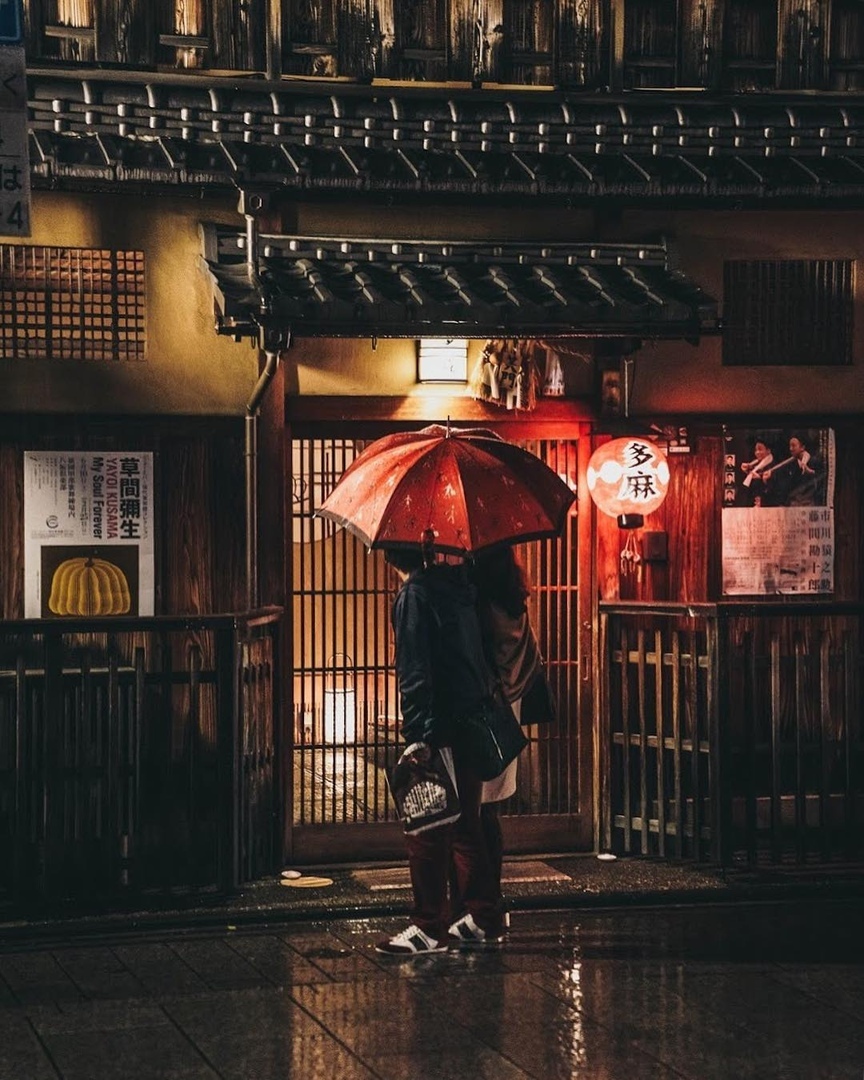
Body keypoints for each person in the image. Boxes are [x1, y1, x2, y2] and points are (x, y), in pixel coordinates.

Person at [376, 545, 507, 956]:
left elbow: (415, 671)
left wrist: (417, 735)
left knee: (427, 828)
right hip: (470, 719)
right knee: (466, 825)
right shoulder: (459, 588)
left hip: (440, 724)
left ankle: (428, 926)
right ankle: (485, 916)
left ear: (389, 556)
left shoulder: (415, 595)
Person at [448, 546, 551, 933]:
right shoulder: (513, 600)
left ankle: (476, 905)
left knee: (471, 813)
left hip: (486, 713)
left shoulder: (479, 605)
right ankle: (489, 901)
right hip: (511, 710)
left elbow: (472, 656)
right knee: (489, 813)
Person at [740, 438, 774, 507]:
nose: (757, 452)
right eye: (756, 450)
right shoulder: (755, 466)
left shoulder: (773, 467)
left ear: (768, 451)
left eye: (760, 449)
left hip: (766, 504)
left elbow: (773, 489)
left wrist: (761, 479)